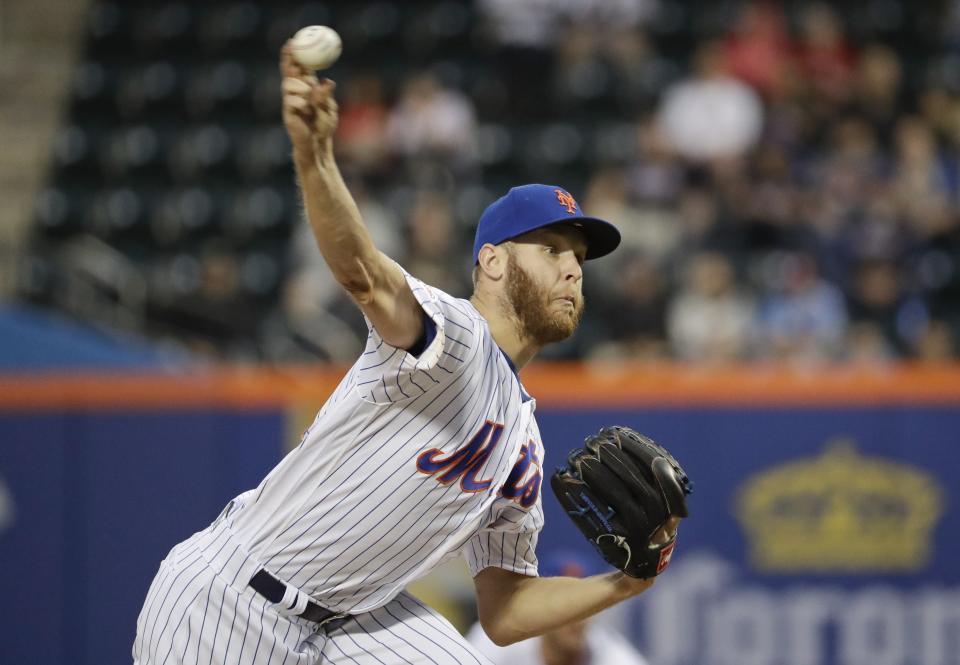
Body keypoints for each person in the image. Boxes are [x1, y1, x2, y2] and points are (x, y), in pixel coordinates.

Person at [133, 43, 672, 665]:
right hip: (229, 603)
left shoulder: (523, 439)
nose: (573, 270)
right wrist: (314, 156)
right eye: (551, 249)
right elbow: (364, 274)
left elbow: (504, 613)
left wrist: (629, 581)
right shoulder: (457, 335)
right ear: (491, 260)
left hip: (356, 621)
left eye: (578, 259)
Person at [466, 553, 650, 665]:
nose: (577, 620)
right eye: (568, 608)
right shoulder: (497, 641)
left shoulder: (612, 657)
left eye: (585, 608)